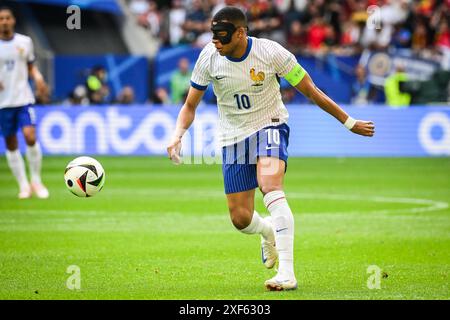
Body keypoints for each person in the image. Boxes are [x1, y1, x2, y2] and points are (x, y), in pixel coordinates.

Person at [166, 6, 375, 291]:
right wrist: (178, 134)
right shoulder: (209, 57)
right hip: (233, 137)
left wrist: (348, 122)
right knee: (240, 219)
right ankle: (267, 233)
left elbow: (312, 91)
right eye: (213, 35)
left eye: (222, 36)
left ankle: (287, 273)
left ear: (241, 33)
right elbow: (190, 105)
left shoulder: (271, 53)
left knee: (270, 186)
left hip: (270, 124)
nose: (216, 41)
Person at [0, 6, 50, 199]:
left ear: (13, 20)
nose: (4, 21)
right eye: (1, 19)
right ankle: (23, 185)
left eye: (7, 18)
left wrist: (38, 78)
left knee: (30, 136)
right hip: (3, 103)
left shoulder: (24, 42)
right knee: (11, 143)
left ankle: (36, 181)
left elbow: (30, 66)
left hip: (23, 98)